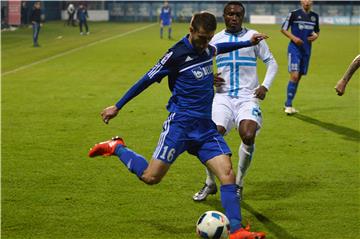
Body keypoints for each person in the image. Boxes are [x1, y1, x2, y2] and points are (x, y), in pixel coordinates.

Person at [89, 11, 267, 239]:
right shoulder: (175, 55)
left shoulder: (208, 48)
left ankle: (237, 230)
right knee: (151, 177)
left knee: (228, 174)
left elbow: (218, 49)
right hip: (180, 126)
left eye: (209, 38)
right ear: (191, 30)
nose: (205, 44)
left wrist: (247, 42)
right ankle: (117, 147)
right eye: (202, 38)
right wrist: (118, 106)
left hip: (204, 128)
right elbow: (146, 79)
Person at [193, 1, 278, 202]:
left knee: (248, 135)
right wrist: (208, 77)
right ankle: (210, 182)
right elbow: (198, 63)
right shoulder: (215, 39)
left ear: (243, 17)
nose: (234, 18)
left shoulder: (253, 37)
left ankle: (238, 184)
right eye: (230, 14)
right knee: (211, 137)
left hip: (248, 97)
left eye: (238, 15)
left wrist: (264, 86)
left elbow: (271, 62)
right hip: (222, 96)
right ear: (224, 16)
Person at [281, 0, 320, 115]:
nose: (307, 2)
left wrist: (316, 36)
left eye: (309, 0)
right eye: (304, 0)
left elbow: (317, 31)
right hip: (294, 49)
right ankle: (288, 105)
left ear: (312, 2)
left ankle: (288, 103)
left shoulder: (314, 16)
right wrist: (294, 38)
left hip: (306, 50)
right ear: (301, 1)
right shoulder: (294, 14)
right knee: (294, 75)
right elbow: (283, 29)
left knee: (298, 77)